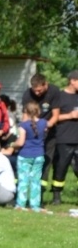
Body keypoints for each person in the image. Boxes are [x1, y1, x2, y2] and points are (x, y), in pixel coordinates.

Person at [22, 73, 61, 193]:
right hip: (32, 134)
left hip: (49, 133)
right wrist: (25, 131)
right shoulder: (27, 94)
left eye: (39, 91)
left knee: (45, 162)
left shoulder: (54, 91)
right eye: (35, 91)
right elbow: (25, 116)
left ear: (46, 84)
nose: (37, 93)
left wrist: (45, 126)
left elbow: (55, 115)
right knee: (28, 161)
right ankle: (23, 190)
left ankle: (41, 191)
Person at [11, 102, 48, 211]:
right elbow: (44, 132)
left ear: (26, 112)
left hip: (25, 155)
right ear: (39, 111)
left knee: (23, 180)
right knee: (36, 181)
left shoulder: (24, 125)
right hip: (39, 154)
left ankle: (21, 204)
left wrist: (13, 144)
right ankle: (35, 205)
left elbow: (21, 142)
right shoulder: (44, 123)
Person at [51, 70, 78, 205]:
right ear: (72, 81)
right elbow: (53, 118)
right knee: (60, 168)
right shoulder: (59, 97)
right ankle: (56, 195)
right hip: (64, 139)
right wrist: (70, 116)